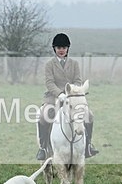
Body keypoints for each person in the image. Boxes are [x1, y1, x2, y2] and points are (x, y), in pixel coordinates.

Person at [35, 33, 98, 161]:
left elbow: (78, 81)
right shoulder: (49, 65)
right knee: (44, 115)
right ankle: (43, 147)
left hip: (73, 97)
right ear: (55, 49)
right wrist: (60, 94)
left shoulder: (74, 64)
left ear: (67, 48)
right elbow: (49, 83)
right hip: (53, 97)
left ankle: (88, 146)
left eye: (64, 47)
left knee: (89, 115)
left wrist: (72, 93)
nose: (61, 50)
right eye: (59, 48)